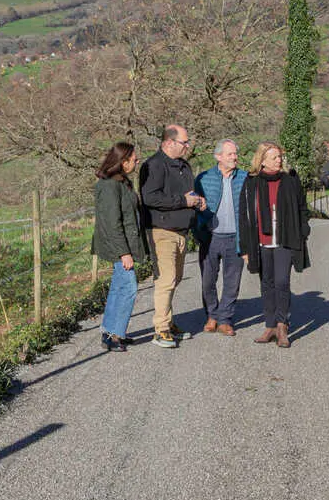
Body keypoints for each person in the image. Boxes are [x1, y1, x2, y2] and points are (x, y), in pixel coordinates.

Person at [139, 124, 206, 349]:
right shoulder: (154, 165)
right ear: (169, 142)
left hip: (181, 232)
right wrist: (183, 201)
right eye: (184, 142)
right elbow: (150, 198)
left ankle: (168, 322)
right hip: (161, 230)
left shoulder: (184, 166)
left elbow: (187, 194)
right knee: (166, 280)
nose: (188, 146)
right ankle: (160, 329)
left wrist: (197, 201)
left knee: (175, 280)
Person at [238, 142, 310, 348]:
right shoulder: (251, 183)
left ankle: (282, 325)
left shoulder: (290, 181)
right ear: (262, 160)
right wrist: (244, 248)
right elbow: (244, 215)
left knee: (282, 282)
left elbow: (302, 208)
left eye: (279, 157)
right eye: (274, 157)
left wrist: (304, 230)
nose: (279, 160)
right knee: (266, 283)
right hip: (261, 241)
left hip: (285, 240)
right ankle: (269, 325)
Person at [91, 142, 148, 352]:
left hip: (124, 244)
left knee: (118, 288)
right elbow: (112, 223)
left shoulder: (122, 182)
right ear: (123, 162)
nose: (137, 161)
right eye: (134, 158)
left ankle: (110, 331)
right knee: (129, 288)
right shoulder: (109, 186)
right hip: (119, 247)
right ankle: (115, 335)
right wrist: (124, 252)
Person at [194, 139, 248, 336]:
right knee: (208, 280)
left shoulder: (245, 178)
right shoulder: (204, 177)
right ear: (218, 156)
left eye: (235, 153)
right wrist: (198, 232)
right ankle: (212, 315)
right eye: (230, 154)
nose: (235, 157)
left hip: (236, 238)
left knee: (232, 282)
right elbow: (194, 207)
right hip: (210, 238)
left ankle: (225, 319)